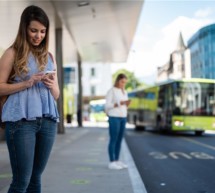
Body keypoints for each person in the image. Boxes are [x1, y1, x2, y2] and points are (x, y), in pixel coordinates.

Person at [0, 5, 60, 193]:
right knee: (21, 181)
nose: (38, 36)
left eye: (42, 31)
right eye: (33, 30)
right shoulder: (12, 53)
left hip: (48, 121)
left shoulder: (49, 56)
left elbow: (56, 95)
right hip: (21, 122)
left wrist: (51, 85)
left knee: (36, 179)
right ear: (24, 28)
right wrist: (27, 83)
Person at [105, 73, 131, 170]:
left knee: (120, 140)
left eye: (125, 82)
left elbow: (124, 105)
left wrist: (126, 104)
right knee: (113, 139)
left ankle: (117, 160)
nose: (123, 84)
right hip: (114, 117)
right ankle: (111, 162)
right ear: (117, 81)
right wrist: (118, 104)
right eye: (122, 82)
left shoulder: (124, 92)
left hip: (123, 117)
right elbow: (107, 106)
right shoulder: (111, 91)